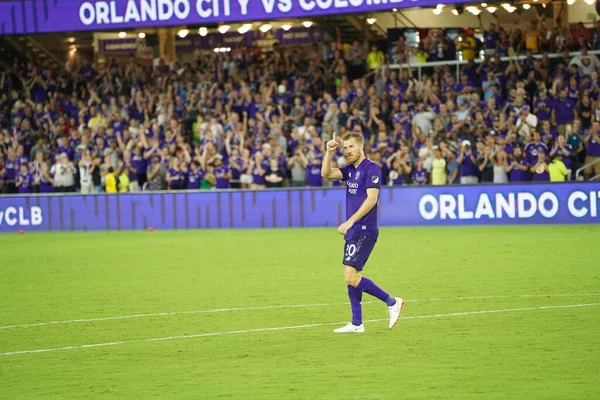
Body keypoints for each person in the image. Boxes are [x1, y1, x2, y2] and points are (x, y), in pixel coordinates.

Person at [321, 132, 404, 334]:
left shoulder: (371, 169)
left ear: (361, 146)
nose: (348, 151)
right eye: (345, 148)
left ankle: (392, 302)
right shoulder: (350, 170)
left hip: (365, 229)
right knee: (351, 275)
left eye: (351, 147)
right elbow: (326, 174)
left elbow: (371, 200)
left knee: (350, 276)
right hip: (353, 231)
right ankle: (357, 323)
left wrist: (350, 221)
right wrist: (329, 153)